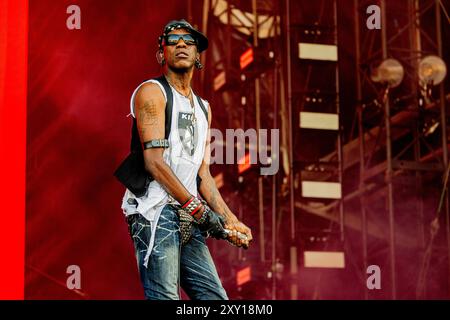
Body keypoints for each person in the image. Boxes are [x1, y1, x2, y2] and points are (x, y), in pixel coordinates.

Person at [118, 19, 253, 300]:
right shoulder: (152, 92)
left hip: (186, 213)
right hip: (154, 210)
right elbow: (154, 162)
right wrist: (199, 211)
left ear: (198, 56)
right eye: (173, 40)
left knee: (216, 300)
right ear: (161, 54)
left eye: (189, 41)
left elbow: (202, 173)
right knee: (166, 297)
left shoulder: (204, 108)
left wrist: (230, 220)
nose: (181, 44)